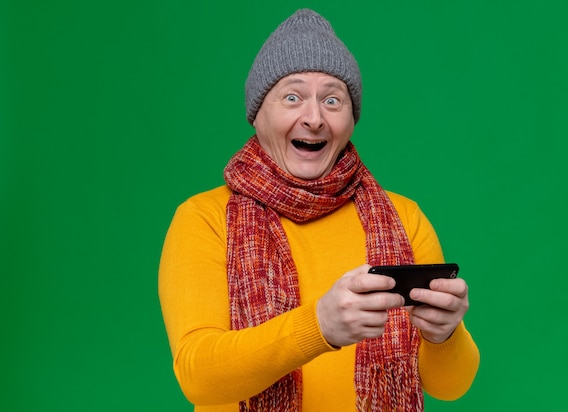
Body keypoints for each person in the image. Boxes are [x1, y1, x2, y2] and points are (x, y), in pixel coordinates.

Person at [158, 8, 479, 412]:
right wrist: (319, 327)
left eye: (332, 100)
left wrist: (445, 334)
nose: (314, 118)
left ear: (351, 118)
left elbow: (451, 387)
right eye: (292, 97)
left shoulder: (403, 218)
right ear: (257, 113)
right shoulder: (203, 218)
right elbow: (198, 378)